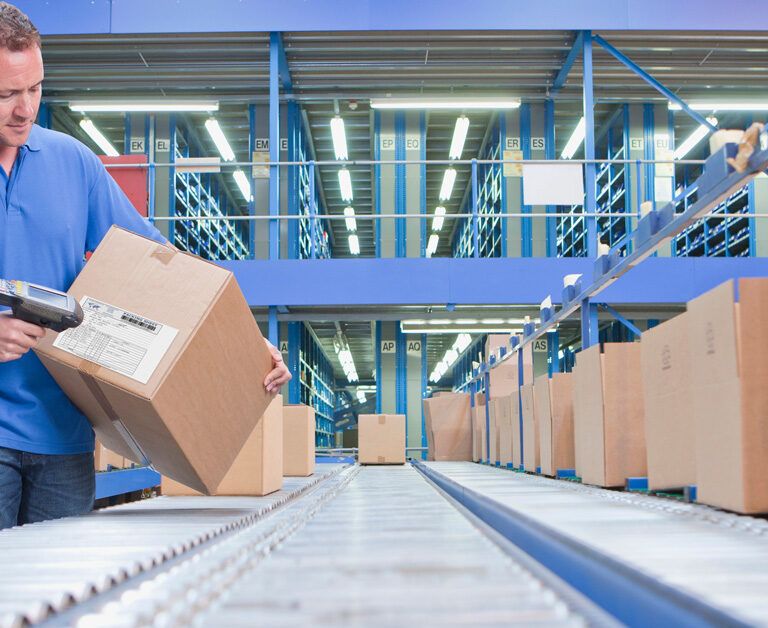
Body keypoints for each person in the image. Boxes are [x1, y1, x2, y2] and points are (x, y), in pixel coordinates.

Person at [0, 2, 290, 530]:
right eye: (6, 94)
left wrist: (245, 348)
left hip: (65, 434)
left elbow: (161, 267)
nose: (25, 110)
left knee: (59, 600)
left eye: (35, 89)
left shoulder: (73, 164)